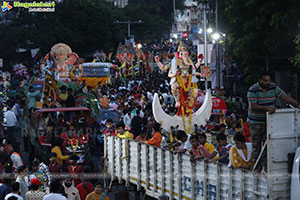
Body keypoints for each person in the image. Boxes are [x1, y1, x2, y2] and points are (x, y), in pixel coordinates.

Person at [247, 72, 300, 172]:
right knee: (257, 145)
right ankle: (257, 167)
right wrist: (267, 108)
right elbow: (253, 105)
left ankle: (266, 167)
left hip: (269, 122)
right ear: (260, 81)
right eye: (265, 81)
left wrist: (296, 104)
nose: (268, 83)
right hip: (255, 122)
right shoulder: (253, 90)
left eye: (269, 80)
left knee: (268, 145)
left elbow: (284, 97)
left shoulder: (273, 87)